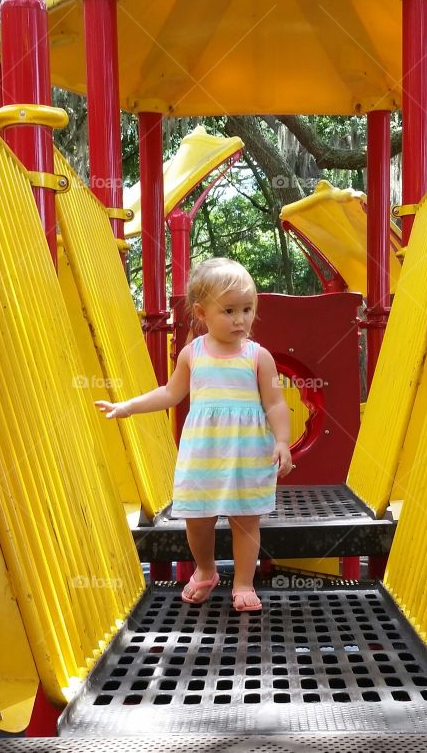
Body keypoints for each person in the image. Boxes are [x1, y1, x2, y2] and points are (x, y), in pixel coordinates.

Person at [95, 257, 293, 612]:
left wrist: (281, 441)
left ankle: (244, 582)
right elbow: (170, 394)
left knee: (246, 521)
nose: (240, 319)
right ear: (201, 313)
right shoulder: (193, 354)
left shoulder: (257, 357)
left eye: (247, 309)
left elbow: (276, 403)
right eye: (229, 310)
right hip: (203, 454)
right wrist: (127, 406)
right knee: (197, 520)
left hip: (247, 454)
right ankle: (206, 569)